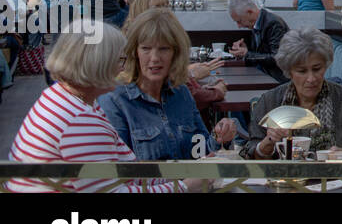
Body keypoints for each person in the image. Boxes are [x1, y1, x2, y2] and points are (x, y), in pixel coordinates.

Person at [8, 22, 207, 193]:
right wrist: (184, 186)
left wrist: (179, 177)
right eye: (120, 59)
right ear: (97, 64)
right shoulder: (79, 121)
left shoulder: (61, 96)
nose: (124, 67)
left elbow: (123, 173)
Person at [98, 8, 237, 159]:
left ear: (175, 54)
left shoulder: (181, 93)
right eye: (146, 48)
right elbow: (121, 172)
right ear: (134, 52)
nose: (155, 58)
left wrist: (219, 137)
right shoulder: (115, 100)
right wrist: (182, 184)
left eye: (163, 49)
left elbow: (200, 152)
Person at [242, 28, 342, 158]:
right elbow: (250, 154)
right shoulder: (269, 101)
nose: (311, 79)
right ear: (289, 71)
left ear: (326, 66)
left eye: (317, 69)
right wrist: (268, 142)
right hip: (281, 177)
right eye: (302, 71)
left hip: (335, 177)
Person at [227, 0, 290, 83]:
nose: (239, 26)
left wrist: (247, 54)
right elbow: (261, 52)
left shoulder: (273, 24)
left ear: (249, 12)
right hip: (265, 75)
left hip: (276, 80)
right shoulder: (258, 22)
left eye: (239, 21)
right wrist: (246, 49)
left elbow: (277, 58)